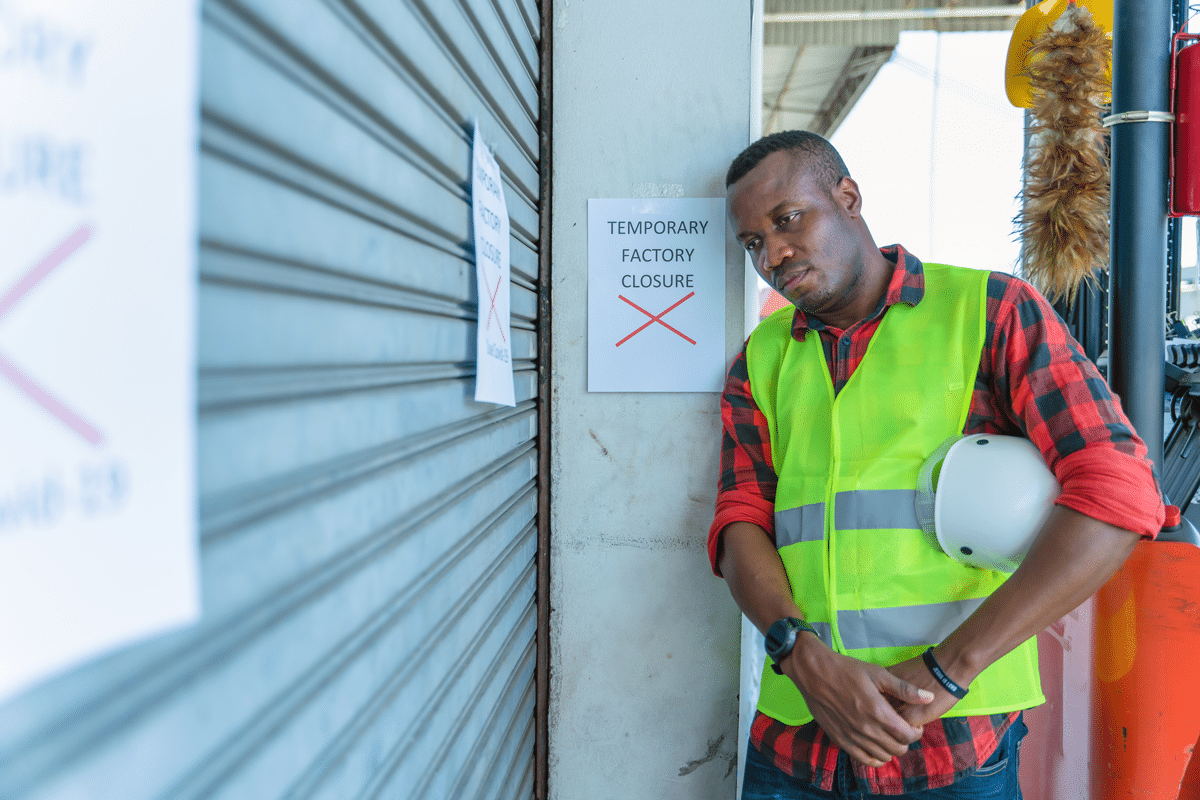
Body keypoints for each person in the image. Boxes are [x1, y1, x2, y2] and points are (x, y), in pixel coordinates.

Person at [709, 130, 1164, 798]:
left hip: (950, 745)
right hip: (796, 743)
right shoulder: (761, 357)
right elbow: (740, 519)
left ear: (848, 197)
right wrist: (799, 655)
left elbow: (1120, 488)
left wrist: (948, 670)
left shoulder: (989, 312)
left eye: (788, 220)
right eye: (753, 243)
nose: (773, 254)